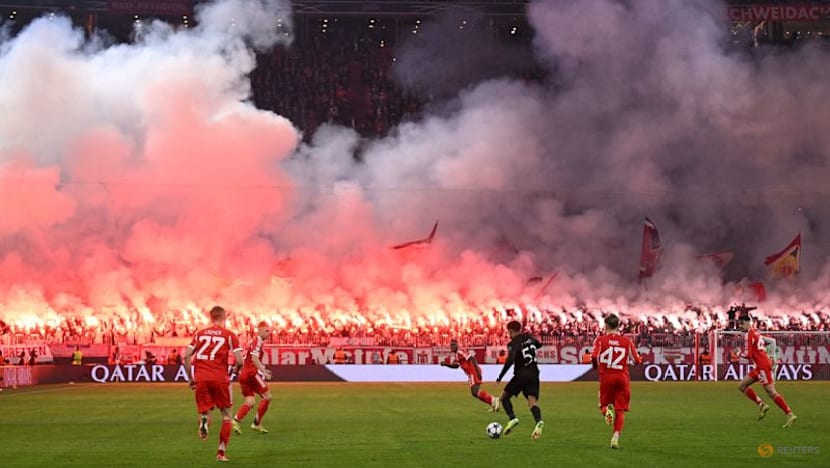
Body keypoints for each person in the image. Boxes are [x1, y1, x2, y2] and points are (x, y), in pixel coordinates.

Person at [183, 306, 244, 463]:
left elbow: (187, 355)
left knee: (205, 411)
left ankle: (204, 420)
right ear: (224, 318)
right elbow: (239, 360)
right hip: (220, 378)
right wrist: (236, 370)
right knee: (227, 416)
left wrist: (190, 378)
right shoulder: (229, 335)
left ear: (211, 318)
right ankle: (221, 453)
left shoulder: (199, 334)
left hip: (201, 378)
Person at [591, 313, 642, 449]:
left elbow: (594, 357)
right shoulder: (626, 341)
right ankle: (616, 436)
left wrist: (595, 366)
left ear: (606, 326)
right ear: (618, 326)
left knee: (603, 405)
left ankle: (607, 412)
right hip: (622, 376)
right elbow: (637, 360)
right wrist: (633, 362)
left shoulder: (600, 340)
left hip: (607, 376)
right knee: (620, 409)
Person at [736, 314, 797, 428]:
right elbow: (769, 342)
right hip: (760, 365)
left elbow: (748, 355)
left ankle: (789, 414)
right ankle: (762, 404)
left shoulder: (749, 334)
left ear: (747, 322)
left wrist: (738, 354)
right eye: (739, 324)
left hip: (762, 366)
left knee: (771, 392)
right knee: (742, 386)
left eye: (741, 323)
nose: (740, 326)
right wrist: (772, 357)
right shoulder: (755, 331)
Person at [496, 320, 544, 440]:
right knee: (532, 401)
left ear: (511, 331)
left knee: (504, 398)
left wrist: (500, 376)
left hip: (521, 375)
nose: (508, 335)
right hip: (534, 373)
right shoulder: (529, 336)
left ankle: (512, 418)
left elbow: (510, 360)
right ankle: (538, 421)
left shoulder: (513, 343)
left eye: (508, 332)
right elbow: (539, 345)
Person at [232, 321, 273, 435]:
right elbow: (254, 358)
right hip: (251, 373)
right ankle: (256, 423)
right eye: (266, 331)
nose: (268, 333)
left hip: (243, 374)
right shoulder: (258, 340)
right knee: (267, 396)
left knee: (250, 401)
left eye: (269, 331)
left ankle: (236, 420)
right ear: (259, 331)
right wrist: (264, 371)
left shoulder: (253, 341)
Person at [440, 339, 499, 412]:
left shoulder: (460, 352)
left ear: (457, 345)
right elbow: (456, 366)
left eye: (453, 345)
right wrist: (446, 364)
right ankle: (493, 402)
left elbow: (472, 358)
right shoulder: (457, 355)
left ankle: (493, 400)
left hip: (473, 371)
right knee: (474, 393)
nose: (452, 347)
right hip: (471, 373)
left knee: (475, 391)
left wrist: (477, 372)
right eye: (451, 345)